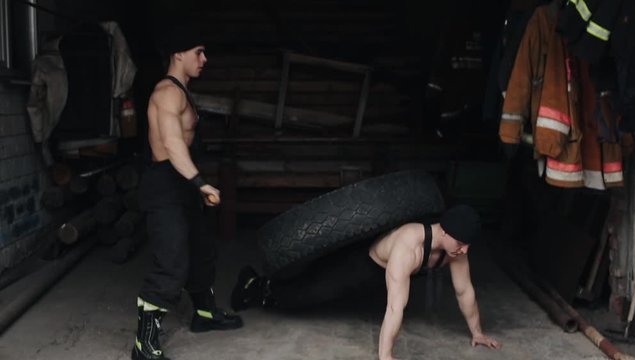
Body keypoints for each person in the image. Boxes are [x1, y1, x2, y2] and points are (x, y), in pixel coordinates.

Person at [231, 204, 501, 360]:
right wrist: (386, 357)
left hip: (382, 275)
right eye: (462, 243)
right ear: (445, 231)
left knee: (317, 293)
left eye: (467, 245)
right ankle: (258, 286)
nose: (465, 250)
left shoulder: (455, 251)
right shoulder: (410, 245)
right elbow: (396, 307)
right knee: (304, 295)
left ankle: (264, 287)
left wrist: (477, 332)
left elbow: (464, 291)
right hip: (360, 267)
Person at [133, 26, 242, 360]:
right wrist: (201, 183)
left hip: (181, 182)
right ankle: (144, 345)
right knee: (172, 261)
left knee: (201, 249)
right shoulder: (167, 93)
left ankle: (204, 314)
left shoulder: (182, 90)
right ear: (178, 53)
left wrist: (193, 184)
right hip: (165, 184)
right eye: (199, 51)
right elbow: (172, 143)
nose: (204, 59)